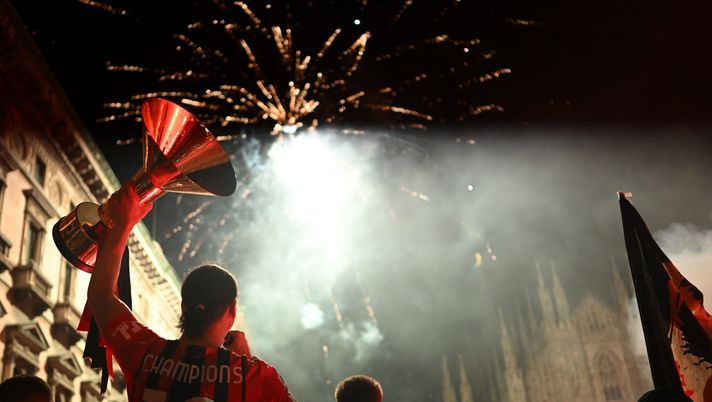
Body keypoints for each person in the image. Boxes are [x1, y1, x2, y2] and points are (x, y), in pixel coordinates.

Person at [87, 182, 294, 401]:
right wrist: (245, 360)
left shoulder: (145, 353)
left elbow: (100, 296)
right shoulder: (255, 377)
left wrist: (123, 224)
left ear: (183, 305)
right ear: (232, 311)